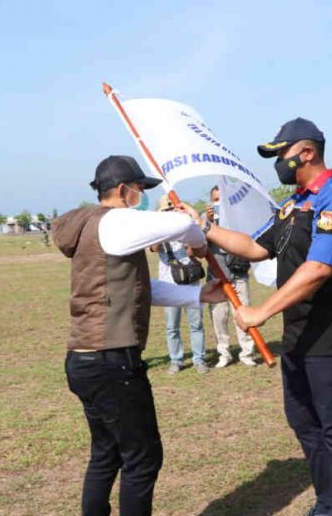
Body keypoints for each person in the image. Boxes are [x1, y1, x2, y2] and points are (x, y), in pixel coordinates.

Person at [180, 118, 332, 516]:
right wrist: (204, 226)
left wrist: (262, 311)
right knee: (303, 421)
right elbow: (254, 246)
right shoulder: (294, 204)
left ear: (307, 153)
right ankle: (329, 501)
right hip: (301, 331)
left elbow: (320, 268)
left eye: (279, 154)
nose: (276, 162)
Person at [52, 155, 225, 516]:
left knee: (107, 454)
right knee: (142, 458)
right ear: (122, 190)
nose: (141, 196)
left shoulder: (92, 227)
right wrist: (199, 240)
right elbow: (180, 224)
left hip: (85, 361)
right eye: (140, 190)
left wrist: (196, 295)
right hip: (111, 362)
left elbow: (135, 289)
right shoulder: (115, 223)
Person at [151, 195, 210, 375]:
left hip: (190, 281)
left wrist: (187, 237)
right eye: (167, 212)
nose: (171, 214)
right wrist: (164, 231)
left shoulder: (187, 228)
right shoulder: (158, 230)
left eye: (173, 211)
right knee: (172, 327)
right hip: (168, 284)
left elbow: (199, 253)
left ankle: (199, 359)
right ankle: (176, 360)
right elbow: (154, 248)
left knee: (196, 324)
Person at [203, 185, 257, 368]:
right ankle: (224, 353)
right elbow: (197, 246)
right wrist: (208, 223)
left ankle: (247, 352)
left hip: (238, 273)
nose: (218, 204)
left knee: (242, 313)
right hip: (216, 276)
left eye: (222, 200)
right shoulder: (204, 222)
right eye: (215, 200)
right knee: (219, 316)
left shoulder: (237, 219)